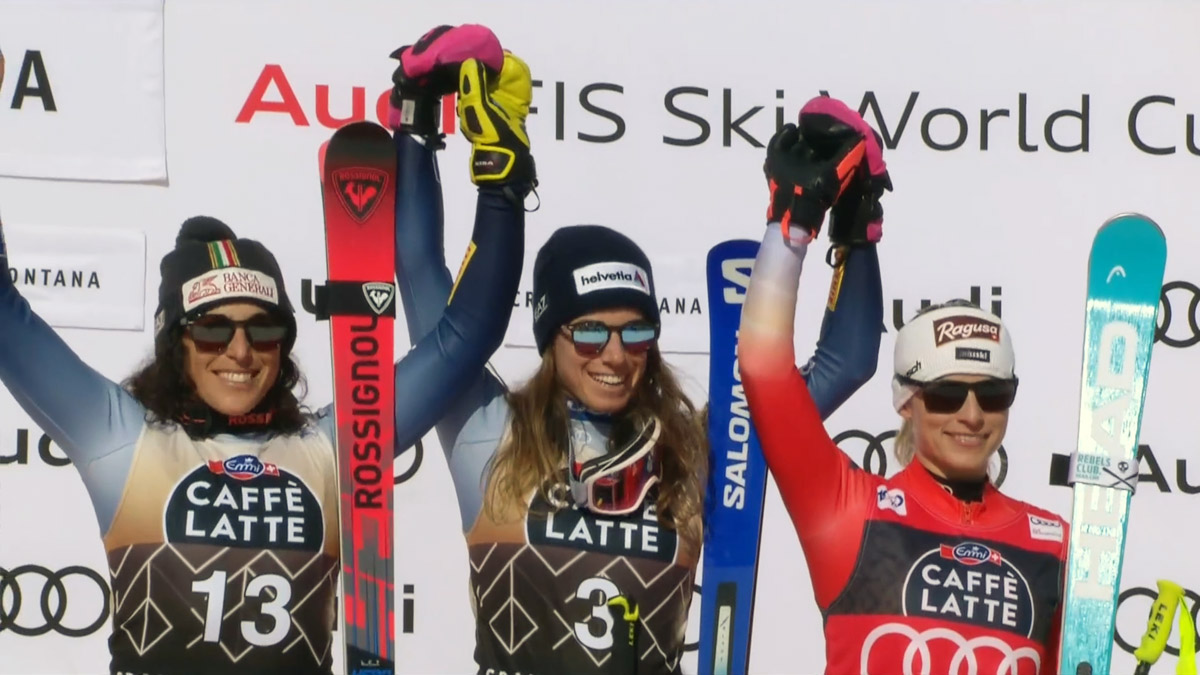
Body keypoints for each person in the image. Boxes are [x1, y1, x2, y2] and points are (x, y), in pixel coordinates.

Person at [0, 60, 526, 675]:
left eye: (266, 329)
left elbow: (467, 336)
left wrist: (500, 176)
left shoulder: (332, 446)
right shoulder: (121, 437)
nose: (242, 352)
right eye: (215, 330)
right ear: (177, 342)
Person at [389, 29, 884, 674]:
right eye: (590, 332)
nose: (615, 355)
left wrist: (855, 226)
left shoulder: (689, 452)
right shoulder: (489, 431)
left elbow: (846, 364)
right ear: (549, 336)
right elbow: (422, 272)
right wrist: (417, 122)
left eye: (636, 334)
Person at [737, 97, 1068, 675]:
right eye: (946, 394)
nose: (971, 414)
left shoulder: (1056, 544)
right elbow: (765, 369)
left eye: (993, 394)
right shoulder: (850, 512)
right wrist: (788, 226)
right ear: (907, 403)